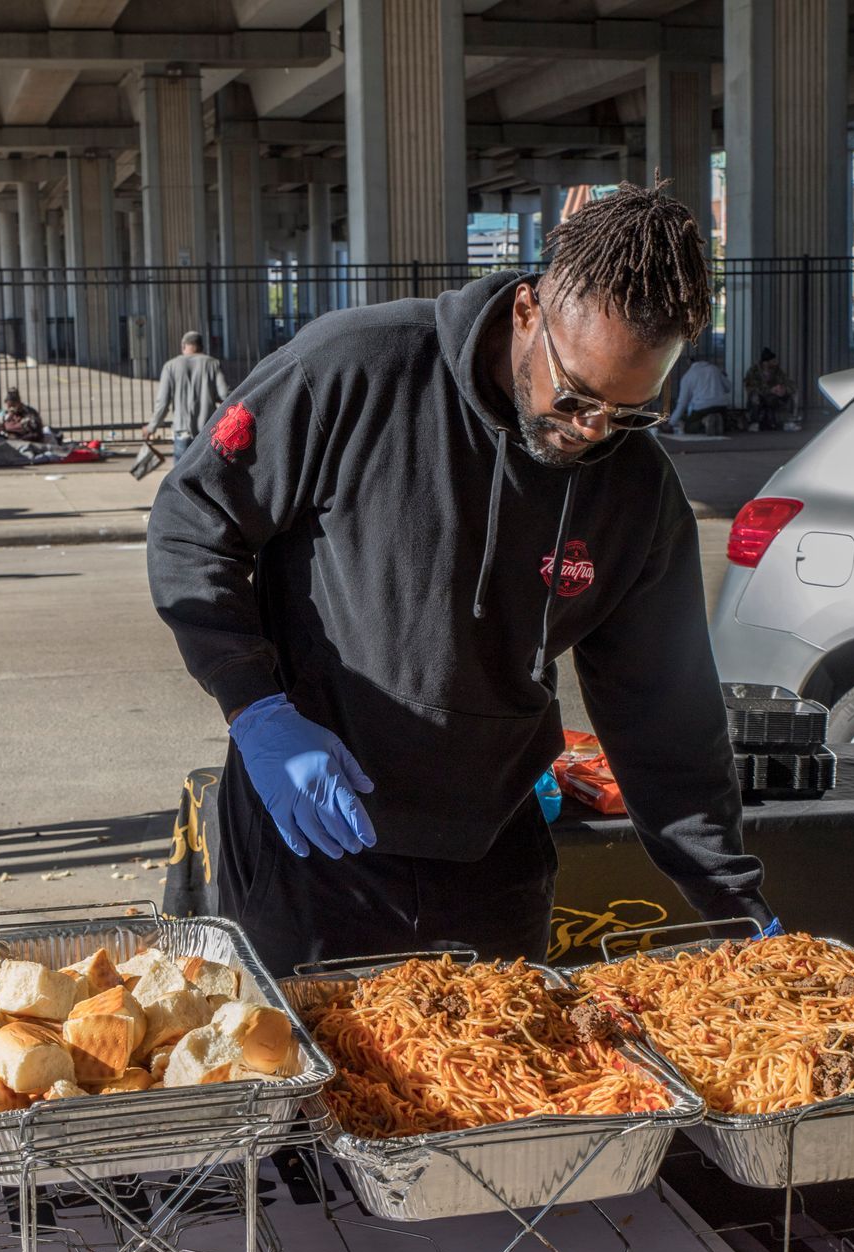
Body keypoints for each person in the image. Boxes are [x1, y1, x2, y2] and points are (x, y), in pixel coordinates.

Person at [146, 182, 774, 976]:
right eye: (576, 394)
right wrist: (256, 707)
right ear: (525, 311)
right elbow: (193, 520)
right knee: (302, 1095)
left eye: (631, 412)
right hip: (306, 842)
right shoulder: (354, 369)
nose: (591, 431)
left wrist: (733, 898)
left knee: (494, 1088)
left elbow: (663, 710)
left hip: (491, 859)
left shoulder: (636, 491)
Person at [146, 331, 229, 461]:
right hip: (207, 432)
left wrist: (151, 427)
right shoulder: (213, 364)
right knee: (205, 475)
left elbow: (162, 403)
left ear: (184, 346)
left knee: (179, 478)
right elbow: (225, 395)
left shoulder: (170, 366)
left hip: (182, 432)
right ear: (201, 346)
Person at [668, 356, 733, 434]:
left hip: (702, 408)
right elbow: (728, 388)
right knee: (722, 423)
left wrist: (671, 422)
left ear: (689, 362)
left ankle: (704, 422)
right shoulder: (714, 369)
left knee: (688, 426)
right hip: (721, 406)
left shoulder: (688, 376)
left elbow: (682, 403)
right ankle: (720, 423)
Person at [743, 347, 795, 431]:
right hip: (760, 396)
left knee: (788, 396)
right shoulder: (754, 370)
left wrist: (783, 389)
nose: (775, 362)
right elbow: (751, 386)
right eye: (772, 360)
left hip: (773, 396)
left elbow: (786, 381)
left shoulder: (777, 370)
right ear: (766, 362)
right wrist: (770, 390)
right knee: (754, 397)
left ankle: (788, 422)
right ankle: (754, 423)